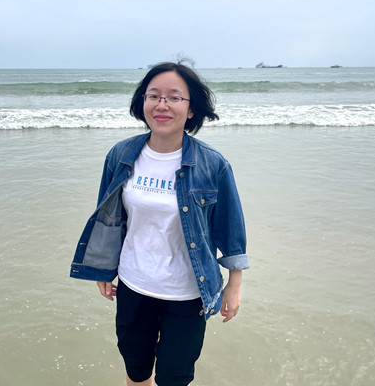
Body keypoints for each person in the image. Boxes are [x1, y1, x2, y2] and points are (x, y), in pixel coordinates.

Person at [70, 60, 249, 386]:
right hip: (134, 285)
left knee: (174, 377)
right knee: (137, 369)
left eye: (174, 97)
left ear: (191, 109)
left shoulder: (213, 165)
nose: (162, 105)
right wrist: (103, 269)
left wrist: (234, 285)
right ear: (143, 102)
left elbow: (230, 228)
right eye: (153, 96)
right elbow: (109, 217)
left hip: (187, 293)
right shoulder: (121, 155)